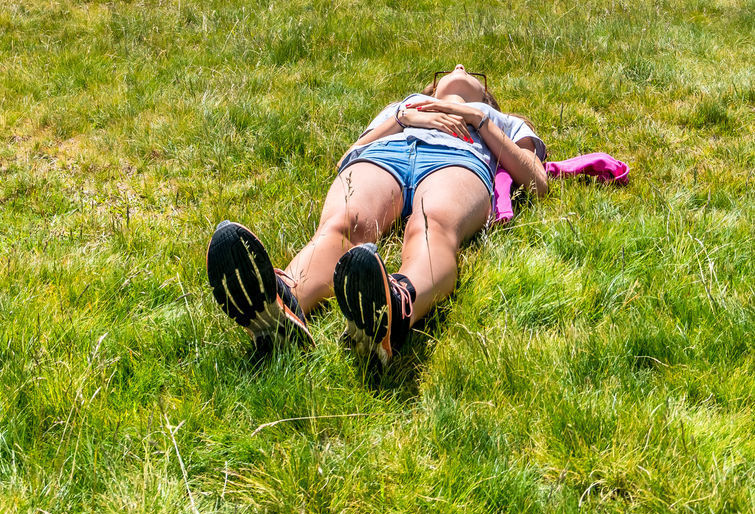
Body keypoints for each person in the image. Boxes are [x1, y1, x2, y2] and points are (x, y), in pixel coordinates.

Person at [206, 63, 547, 365]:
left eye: (471, 73)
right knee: (344, 225)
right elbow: (347, 158)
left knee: (432, 226)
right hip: (386, 153)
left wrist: (480, 120)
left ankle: (397, 306)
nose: (458, 65)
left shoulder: (504, 121)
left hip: (458, 160)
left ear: (488, 97)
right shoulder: (401, 107)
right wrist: (404, 118)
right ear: (430, 89)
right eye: (446, 72)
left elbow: (536, 181)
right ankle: (284, 302)